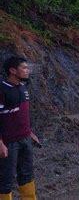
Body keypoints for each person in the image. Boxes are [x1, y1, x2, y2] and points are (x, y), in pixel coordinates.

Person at [0, 56, 38, 200]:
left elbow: (23, 113)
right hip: (8, 142)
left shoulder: (22, 87)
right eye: (24, 68)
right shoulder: (2, 90)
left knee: (27, 174)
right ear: (12, 70)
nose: (27, 70)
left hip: (25, 139)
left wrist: (29, 132)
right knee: (6, 178)